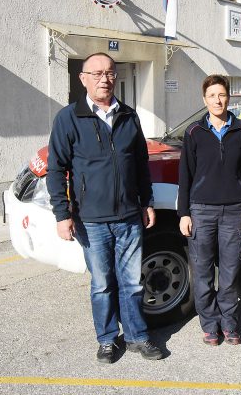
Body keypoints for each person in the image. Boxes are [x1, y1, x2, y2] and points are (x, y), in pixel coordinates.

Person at [47, 52, 162, 364]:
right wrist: (62, 215)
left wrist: (146, 202)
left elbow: (140, 164)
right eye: (96, 73)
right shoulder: (68, 118)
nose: (104, 79)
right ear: (83, 78)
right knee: (101, 284)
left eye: (109, 72)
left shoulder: (129, 116)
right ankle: (108, 339)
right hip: (91, 220)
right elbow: (56, 170)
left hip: (129, 217)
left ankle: (138, 337)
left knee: (132, 282)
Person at [177, 75, 241, 346]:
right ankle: (210, 323)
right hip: (200, 210)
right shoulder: (193, 132)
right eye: (212, 95)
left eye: (221, 95)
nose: (217, 100)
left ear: (228, 98)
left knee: (230, 271)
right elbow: (185, 175)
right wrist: (183, 213)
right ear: (204, 100)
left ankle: (229, 322)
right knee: (201, 272)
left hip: (234, 211)